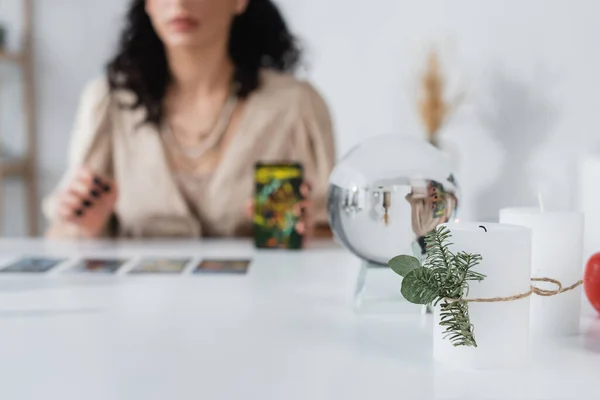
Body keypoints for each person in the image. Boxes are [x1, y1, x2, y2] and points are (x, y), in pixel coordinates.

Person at [43, 0, 336, 239]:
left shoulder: (296, 105)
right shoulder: (108, 102)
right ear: (147, 5)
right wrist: (84, 227)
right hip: (134, 306)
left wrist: (307, 234)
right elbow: (59, 238)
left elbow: (332, 237)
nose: (180, 4)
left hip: (262, 303)